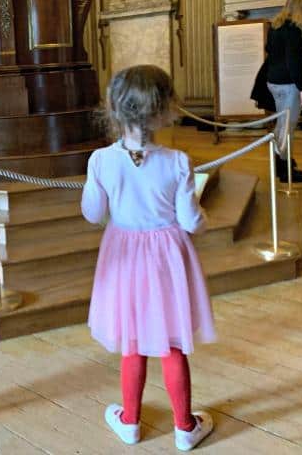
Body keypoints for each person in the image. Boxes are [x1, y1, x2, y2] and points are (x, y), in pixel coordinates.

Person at [81, 65, 216, 452]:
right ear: (164, 108)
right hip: (167, 258)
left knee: (133, 341)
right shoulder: (177, 160)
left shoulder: (100, 160)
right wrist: (206, 221)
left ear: (114, 108)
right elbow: (191, 221)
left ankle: (130, 422)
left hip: (123, 255)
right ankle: (185, 427)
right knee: (172, 341)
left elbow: (93, 213)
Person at [265, 0, 302, 183]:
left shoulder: (276, 26)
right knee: (287, 128)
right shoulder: (293, 30)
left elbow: (270, 50)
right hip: (288, 85)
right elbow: (293, 62)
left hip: (274, 82)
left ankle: (281, 164)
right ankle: (286, 172)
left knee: (281, 125)